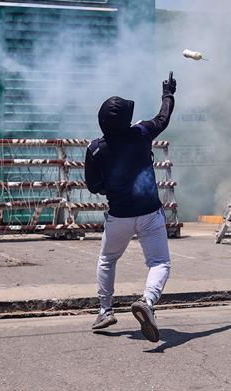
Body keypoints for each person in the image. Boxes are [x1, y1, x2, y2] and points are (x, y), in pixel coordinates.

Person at [84, 72, 177, 342]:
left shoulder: (95, 149)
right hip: (149, 212)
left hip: (118, 216)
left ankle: (105, 310)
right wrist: (168, 93)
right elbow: (164, 117)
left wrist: (110, 188)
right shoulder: (141, 133)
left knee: (107, 260)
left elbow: (93, 186)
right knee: (159, 262)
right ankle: (147, 301)